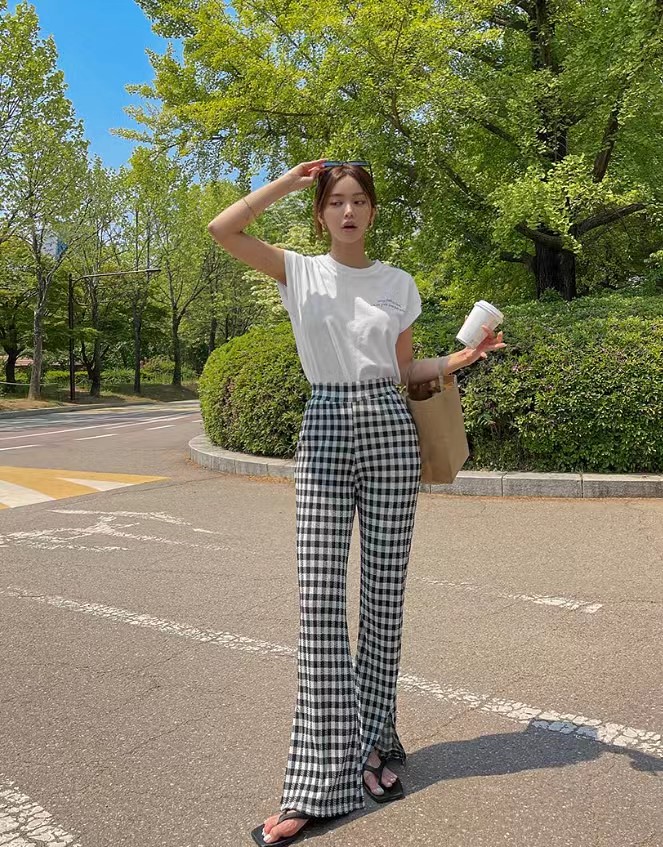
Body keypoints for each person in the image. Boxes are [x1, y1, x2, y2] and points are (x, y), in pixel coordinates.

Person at [207, 159, 505, 846]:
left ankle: (371, 746)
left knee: (383, 599)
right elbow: (223, 229)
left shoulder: (397, 283)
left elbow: (402, 371)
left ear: (372, 211)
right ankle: (316, 783)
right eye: (335, 200)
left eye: (359, 201)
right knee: (318, 601)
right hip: (325, 425)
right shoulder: (299, 271)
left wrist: (460, 360)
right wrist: (286, 182)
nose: (348, 211)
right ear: (320, 213)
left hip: (389, 430)